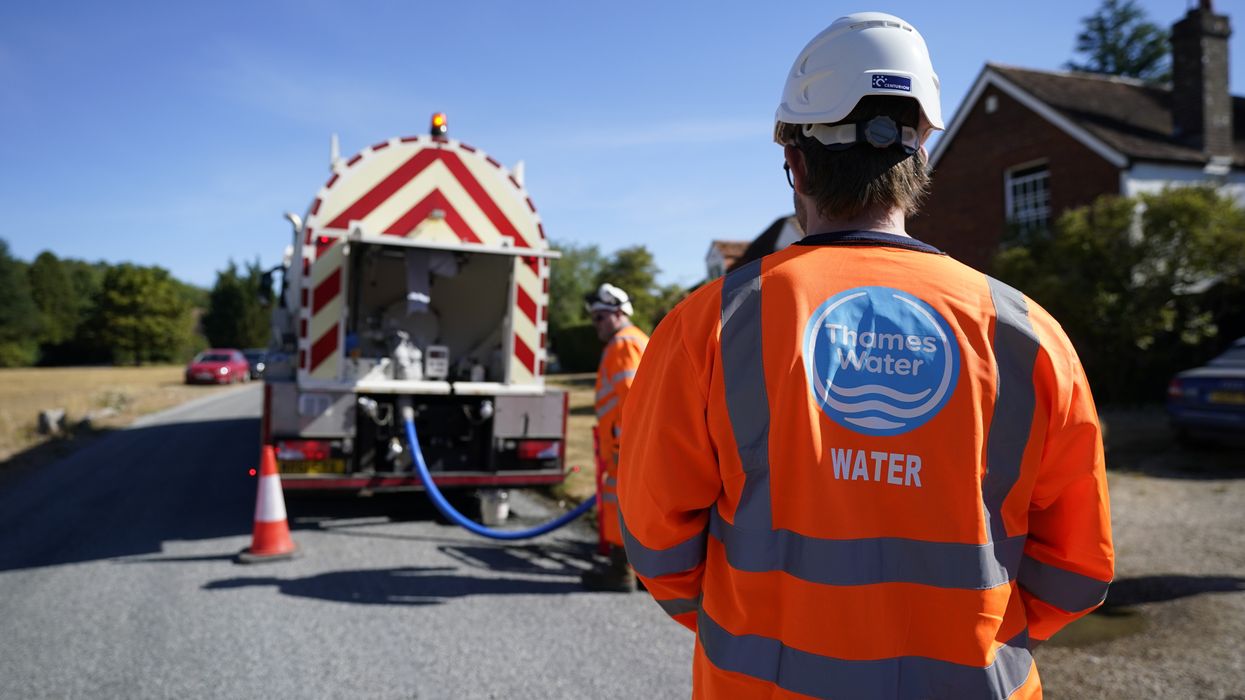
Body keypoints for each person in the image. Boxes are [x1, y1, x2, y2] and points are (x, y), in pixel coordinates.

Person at [617, 12, 1113, 698]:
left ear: (795, 164)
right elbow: (1077, 569)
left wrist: (745, 620)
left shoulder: (710, 323)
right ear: (921, 158)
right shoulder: (1027, 333)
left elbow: (656, 544)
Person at [580, 283, 649, 592]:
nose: (596, 324)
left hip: (627, 445)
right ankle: (643, 573)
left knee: (622, 504)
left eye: (600, 317)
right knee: (637, 505)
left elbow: (634, 399)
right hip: (633, 443)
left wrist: (626, 445)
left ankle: (622, 571)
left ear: (619, 313)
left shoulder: (623, 345)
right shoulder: (635, 340)